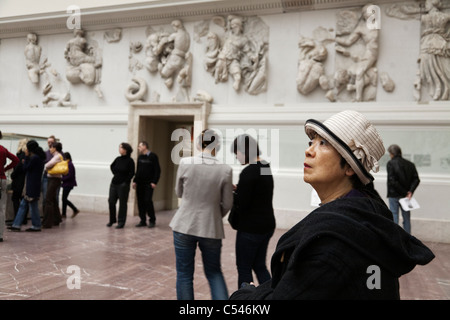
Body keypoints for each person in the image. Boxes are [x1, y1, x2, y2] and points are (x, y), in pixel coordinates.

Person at [230, 110, 435, 300]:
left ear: (349, 167)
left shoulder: (333, 241)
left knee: (247, 266)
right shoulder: (368, 217)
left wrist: (244, 295)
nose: (309, 151)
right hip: (266, 224)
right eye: (312, 142)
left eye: (323, 144)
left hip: (251, 228)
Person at [170, 129, 233, 300]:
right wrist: (213, 215)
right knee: (214, 272)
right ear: (218, 146)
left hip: (184, 224)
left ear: (198, 144)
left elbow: (179, 192)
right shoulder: (225, 169)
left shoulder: (185, 163)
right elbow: (228, 203)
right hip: (211, 228)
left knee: (184, 274)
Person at [230, 134, 275, 289]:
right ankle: (273, 295)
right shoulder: (264, 167)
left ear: (244, 151)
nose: (237, 157)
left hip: (251, 228)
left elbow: (242, 204)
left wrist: (233, 194)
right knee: (260, 266)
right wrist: (240, 188)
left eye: (237, 153)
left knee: (244, 268)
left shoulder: (248, 172)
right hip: (267, 224)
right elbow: (261, 192)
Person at [9, 140, 45, 232]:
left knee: (31, 206)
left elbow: (25, 168)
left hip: (32, 185)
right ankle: (18, 224)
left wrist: (25, 158)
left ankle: (33, 225)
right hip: (34, 184)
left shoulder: (34, 158)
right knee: (26, 205)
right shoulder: (38, 157)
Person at [386, 144, 420, 234]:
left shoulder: (391, 163)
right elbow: (416, 179)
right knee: (406, 218)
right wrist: (410, 192)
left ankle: (396, 239)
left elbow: (392, 181)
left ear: (392, 154)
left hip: (394, 195)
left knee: (394, 217)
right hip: (406, 197)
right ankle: (408, 240)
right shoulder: (410, 164)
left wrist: (405, 192)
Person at [132, 141, 161, 228]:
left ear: (145, 146)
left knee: (147, 201)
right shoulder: (140, 157)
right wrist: (135, 181)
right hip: (140, 183)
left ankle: (152, 220)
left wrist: (154, 181)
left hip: (149, 184)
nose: (138, 148)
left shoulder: (153, 156)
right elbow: (138, 170)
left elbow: (157, 170)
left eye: (140, 146)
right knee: (140, 202)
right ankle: (142, 220)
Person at [107, 142, 135, 229]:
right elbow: (112, 166)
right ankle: (112, 220)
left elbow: (132, 173)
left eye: (120, 148)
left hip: (123, 185)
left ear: (125, 150)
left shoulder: (130, 161)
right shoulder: (118, 159)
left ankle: (121, 222)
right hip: (114, 183)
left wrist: (125, 181)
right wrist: (116, 174)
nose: (119, 149)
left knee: (122, 204)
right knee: (111, 201)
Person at [0, 130, 20, 242]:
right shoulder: (3, 149)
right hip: (2, 179)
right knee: (1, 209)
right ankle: (0, 234)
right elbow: (16, 160)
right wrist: (5, 168)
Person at [42, 142, 64, 228]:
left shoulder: (57, 156)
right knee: (53, 199)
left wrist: (46, 167)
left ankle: (47, 222)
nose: (50, 149)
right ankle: (57, 219)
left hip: (54, 179)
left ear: (55, 148)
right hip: (54, 179)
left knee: (48, 200)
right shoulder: (57, 156)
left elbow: (47, 165)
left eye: (51, 147)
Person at [10, 138, 28, 224]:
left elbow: (18, 167)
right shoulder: (27, 155)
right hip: (24, 179)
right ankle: (23, 218)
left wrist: (12, 175)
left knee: (15, 198)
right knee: (22, 199)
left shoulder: (20, 154)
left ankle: (17, 219)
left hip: (18, 179)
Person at [61, 152, 79, 218]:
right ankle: (63, 213)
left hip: (68, 184)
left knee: (64, 199)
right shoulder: (68, 164)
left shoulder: (69, 164)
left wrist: (62, 179)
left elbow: (70, 175)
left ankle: (75, 209)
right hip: (66, 183)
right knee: (64, 199)